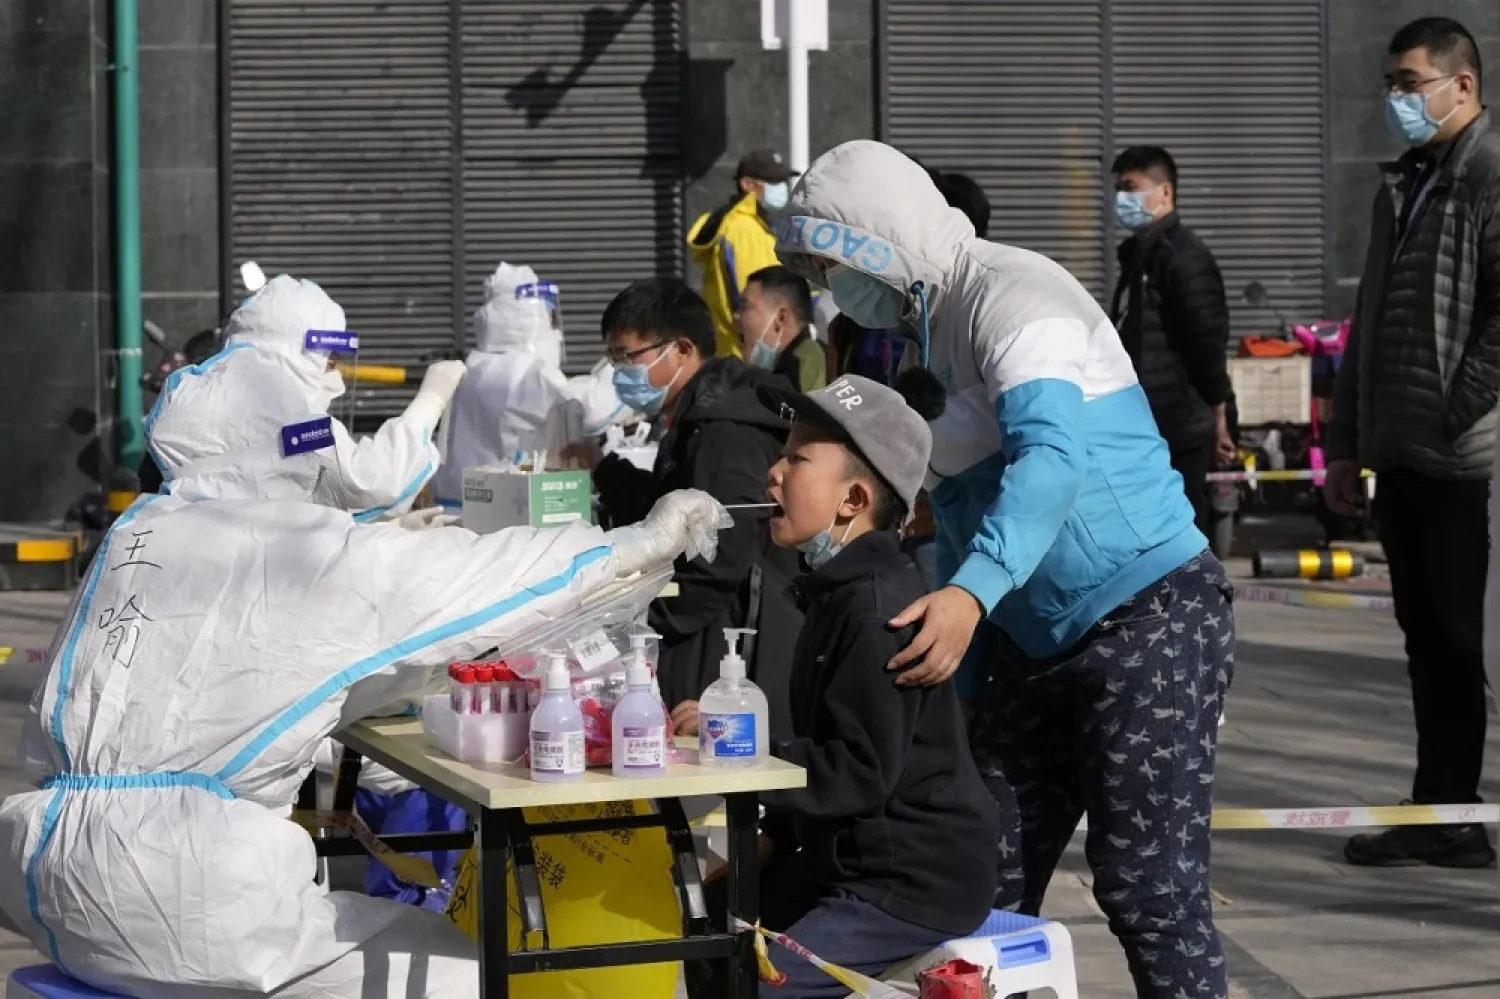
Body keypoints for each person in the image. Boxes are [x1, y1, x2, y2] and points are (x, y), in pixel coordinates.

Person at [0, 339, 730, 999]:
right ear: (284, 446)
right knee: (483, 973)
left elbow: (227, 681)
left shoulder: (136, 533)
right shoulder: (294, 550)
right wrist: (634, 544)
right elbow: (485, 580)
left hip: (46, 877)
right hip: (186, 896)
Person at [775, 139, 1236, 999]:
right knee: (975, 876)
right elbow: (957, 510)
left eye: (836, 265)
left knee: (1148, 890)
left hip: (1147, 618)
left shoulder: (1016, 293)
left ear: (879, 241)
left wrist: (968, 596)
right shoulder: (924, 339)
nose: (836, 289)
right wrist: (966, 677)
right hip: (1028, 641)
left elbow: (1050, 459)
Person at [688, 373, 998, 998]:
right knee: (703, 933)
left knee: (765, 986)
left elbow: (857, 769)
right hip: (840, 859)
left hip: (907, 882)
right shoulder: (835, 592)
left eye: (797, 458)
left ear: (852, 499)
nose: (774, 472)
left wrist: (738, 744)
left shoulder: (878, 612)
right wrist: (775, 834)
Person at [1326, 16, 1500, 869]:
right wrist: (1346, 442)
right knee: (1428, 646)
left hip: (1464, 461)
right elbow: (1368, 322)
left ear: (1462, 85)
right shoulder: (1404, 184)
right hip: (1401, 455)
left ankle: (1454, 813)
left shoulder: (1489, 176)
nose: (1395, 99)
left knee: (1459, 645)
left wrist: (1450, 409)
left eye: (1410, 83)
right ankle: (1442, 809)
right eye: (1390, 84)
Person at [563, 277, 801, 742]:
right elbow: (663, 507)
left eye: (628, 357)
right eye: (612, 359)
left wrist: (645, 627)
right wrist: (603, 469)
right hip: (712, 626)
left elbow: (725, 551)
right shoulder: (698, 418)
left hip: (734, 638)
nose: (619, 373)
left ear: (682, 349)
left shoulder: (724, 430)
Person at [147, 274, 468, 521]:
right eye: (329, 361)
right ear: (298, 352)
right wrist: (431, 400)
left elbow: (277, 496)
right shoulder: (280, 413)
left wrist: (379, 529)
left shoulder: (188, 393)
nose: (335, 378)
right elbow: (376, 481)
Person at [1109, 145, 1236, 536]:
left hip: (1178, 423)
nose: (1121, 199)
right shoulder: (1138, 257)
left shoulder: (1183, 257)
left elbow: (1207, 340)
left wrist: (1220, 412)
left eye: (1130, 188)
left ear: (1165, 192)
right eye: (1117, 189)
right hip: (1145, 421)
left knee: (1180, 531)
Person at [431, 262, 575, 507]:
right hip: (511, 505)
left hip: (455, 498)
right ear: (532, 318)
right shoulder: (536, 373)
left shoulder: (473, 365)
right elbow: (589, 414)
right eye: (549, 317)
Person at [689, 148, 798, 359]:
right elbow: (757, 302)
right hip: (750, 356)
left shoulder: (752, 226)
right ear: (747, 184)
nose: (782, 188)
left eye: (782, 181)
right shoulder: (744, 230)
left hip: (737, 352)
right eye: (773, 182)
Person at [735, 265, 828, 392]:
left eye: (745, 307)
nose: (735, 316)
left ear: (781, 318)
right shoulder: (784, 369)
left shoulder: (804, 365)